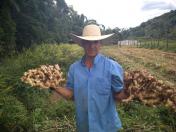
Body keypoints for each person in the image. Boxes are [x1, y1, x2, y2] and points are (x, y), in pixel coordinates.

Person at [51, 24, 126, 132]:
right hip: (84, 126)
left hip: (107, 126)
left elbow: (118, 95)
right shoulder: (74, 68)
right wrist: (52, 86)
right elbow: (71, 95)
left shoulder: (112, 66)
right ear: (82, 44)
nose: (91, 46)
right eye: (88, 42)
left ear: (100, 44)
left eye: (95, 42)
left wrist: (131, 92)